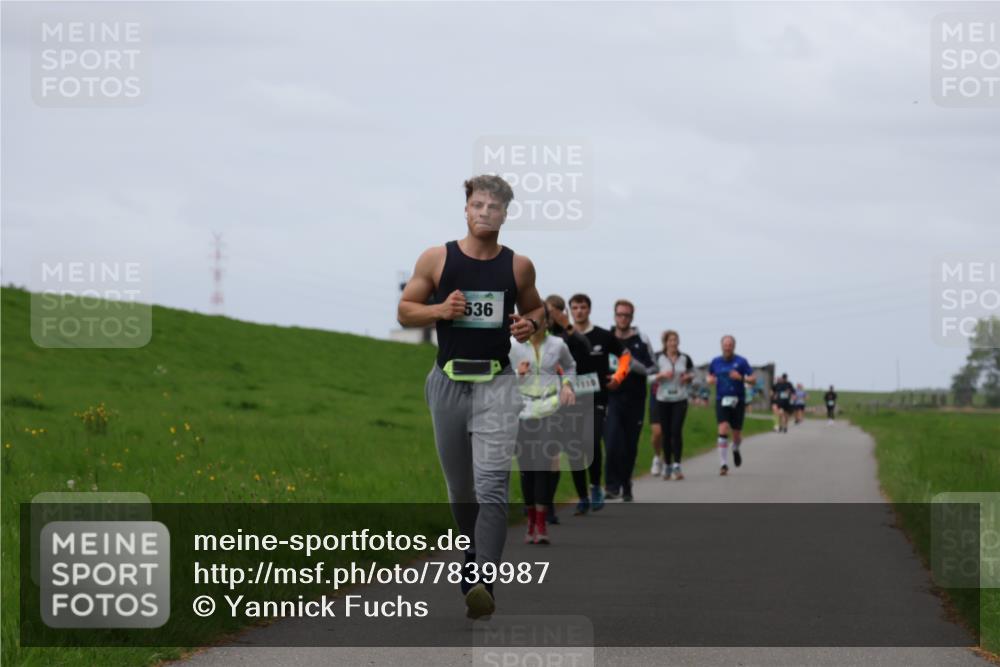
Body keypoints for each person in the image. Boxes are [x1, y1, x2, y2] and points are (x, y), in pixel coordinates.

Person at [397, 174, 545, 619]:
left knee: (492, 486)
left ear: (505, 215)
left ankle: (484, 580)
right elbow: (405, 311)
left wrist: (531, 324)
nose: (484, 212)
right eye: (477, 205)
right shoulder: (437, 258)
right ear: (466, 209)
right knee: (461, 490)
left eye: (493, 207)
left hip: (497, 385)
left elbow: (537, 308)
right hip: (447, 383)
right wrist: (440, 310)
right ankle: (472, 551)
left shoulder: (518, 266)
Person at [509, 302, 577, 545]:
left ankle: (541, 523)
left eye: (539, 319)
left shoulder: (557, 344)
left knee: (543, 466)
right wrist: (518, 374)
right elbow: (500, 375)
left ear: (546, 321)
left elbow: (570, 366)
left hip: (550, 409)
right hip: (523, 411)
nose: (533, 323)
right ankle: (530, 520)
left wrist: (567, 385)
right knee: (527, 469)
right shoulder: (513, 346)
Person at [569, 293, 630, 510]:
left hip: (596, 398)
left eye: (583, 307)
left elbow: (625, 355)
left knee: (592, 442)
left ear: (589, 309)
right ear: (570, 311)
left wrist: (618, 377)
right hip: (570, 400)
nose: (579, 311)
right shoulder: (564, 338)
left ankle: (595, 485)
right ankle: (582, 496)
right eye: (575, 308)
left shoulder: (603, 335)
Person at [543, 294, 594, 516]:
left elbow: (586, 347)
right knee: (551, 453)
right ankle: (547, 504)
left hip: (572, 399)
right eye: (547, 312)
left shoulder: (567, 334)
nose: (549, 316)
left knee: (574, 451)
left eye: (553, 312)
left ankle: (583, 497)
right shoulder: (542, 334)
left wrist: (568, 326)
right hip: (547, 401)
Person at [604, 299, 657, 501]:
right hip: (611, 397)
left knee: (629, 445)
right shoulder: (607, 338)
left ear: (632, 317)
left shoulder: (641, 340)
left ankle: (626, 483)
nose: (623, 318)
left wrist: (632, 364)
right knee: (612, 441)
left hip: (635, 399)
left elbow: (653, 368)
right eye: (620, 314)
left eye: (626, 315)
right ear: (614, 315)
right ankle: (611, 486)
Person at [706, 335, 756, 476]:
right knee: (723, 427)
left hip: (738, 400)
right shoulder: (715, 361)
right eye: (725, 344)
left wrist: (741, 378)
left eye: (730, 345)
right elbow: (709, 376)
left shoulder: (741, 361)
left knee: (736, 434)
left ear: (734, 346)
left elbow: (753, 379)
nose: (727, 347)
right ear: (721, 346)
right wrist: (709, 380)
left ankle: (735, 448)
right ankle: (723, 464)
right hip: (721, 399)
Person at [652, 330, 694, 481]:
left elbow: (692, 373)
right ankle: (667, 465)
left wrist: (688, 377)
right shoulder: (657, 358)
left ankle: (677, 465)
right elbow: (649, 377)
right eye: (670, 340)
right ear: (665, 342)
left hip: (680, 399)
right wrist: (661, 375)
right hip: (663, 399)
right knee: (666, 433)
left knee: (676, 431)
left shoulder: (685, 358)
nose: (673, 343)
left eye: (675, 340)